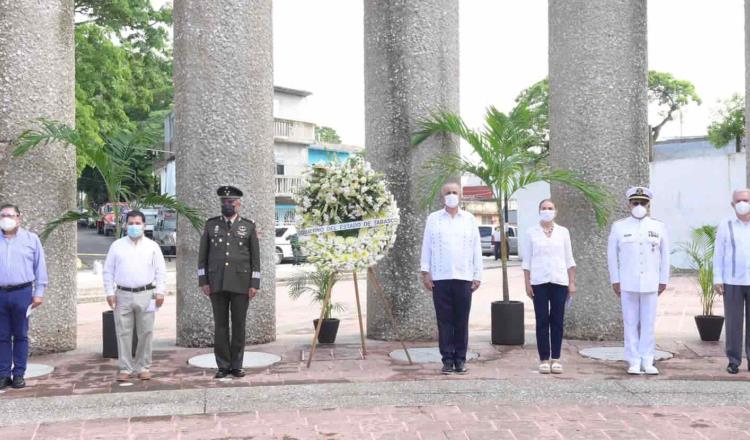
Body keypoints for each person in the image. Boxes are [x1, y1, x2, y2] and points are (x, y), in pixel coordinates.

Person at [420, 182, 482, 375]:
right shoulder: (434, 219)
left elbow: (476, 248)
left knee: (461, 320)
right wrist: (425, 272)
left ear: (461, 195)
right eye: (448, 192)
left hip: (464, 277)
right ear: (442, 196)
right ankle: (447, 359)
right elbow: (427, 246)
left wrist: (477, 275)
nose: (451, 195)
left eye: (455, 192)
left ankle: (460, 360)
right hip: (440, 277)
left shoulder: (469, 219)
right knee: (444, 320)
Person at [198, 186, 260, 379]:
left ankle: (237, 365)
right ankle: (223, 366)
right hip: (216, 283)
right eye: (224, 202)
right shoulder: (211, 225)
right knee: (221, 326)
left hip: (241, 283)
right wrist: (203, 281)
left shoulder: (248, 227)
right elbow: (203, 257)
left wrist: (254, 283)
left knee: (239, 325)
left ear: (238, 204)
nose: (227, 205)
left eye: (231, 202)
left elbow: (255, 259)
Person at [607, 187, 670, 375]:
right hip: (628, 282)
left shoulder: (658, 227)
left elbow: (665, 255)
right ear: (629, 205)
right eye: (636, 203)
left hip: (651, 282)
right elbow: (611, 255)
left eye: (643, 203)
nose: (639, 206)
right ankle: (633, 360)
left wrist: (663, 280)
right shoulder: (619, 227)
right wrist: (615, 280)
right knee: (630, 323)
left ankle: (648, 360)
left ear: (648, 205)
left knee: (649, 323)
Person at [103, 210, 167, 382]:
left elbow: (161, 271)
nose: (134, 226)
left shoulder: (153, 246)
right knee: (123, 332)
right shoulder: (116, 246)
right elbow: (108, 271)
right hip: (122, 294)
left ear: (144, 226)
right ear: (125, 225)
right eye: (130, 223)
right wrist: (109, 292)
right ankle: (125, 368)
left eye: (138, 223)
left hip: (147, 294)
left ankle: (143, 367)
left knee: (146, 332)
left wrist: (160, 291)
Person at [522, 199, 576, 374]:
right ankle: (544, 358)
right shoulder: (531, 233)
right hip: (539, 282)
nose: (547, 211)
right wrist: (527, 283)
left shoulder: (563, 232)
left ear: (556, 211)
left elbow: (569, 259)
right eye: (544, 208)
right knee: (542, 321)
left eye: (550, 208)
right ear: (539, 211)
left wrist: (572, 282)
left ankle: (556, 358)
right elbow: (527, 261)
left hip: (560, 281)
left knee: (557, 321)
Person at [0, 204, 47, 390]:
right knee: (2, 336)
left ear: (19, 217)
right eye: (2, 215)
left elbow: (40, 267)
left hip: (22, 292)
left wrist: (39, 292)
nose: (6, 218)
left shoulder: (31, 239)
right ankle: (3, 374)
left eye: (10, 215)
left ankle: (19, 374)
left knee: (20, 334)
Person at [713, 188, 750, 374]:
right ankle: (734, 360)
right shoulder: (725, 224)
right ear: (733, 204)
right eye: (739, 200)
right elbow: (718, 253)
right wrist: (717, 279)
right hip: (732, 281)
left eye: (746, 199)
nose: (743, 203)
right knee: (734, 322)